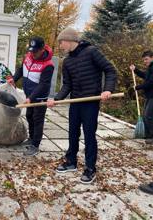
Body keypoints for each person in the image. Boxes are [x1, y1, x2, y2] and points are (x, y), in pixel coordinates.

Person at [47, 27, 117, 184]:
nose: (60, 46)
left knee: (89, 135)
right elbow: (67, 85)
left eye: (61, 42)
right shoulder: (67, 61)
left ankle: (90, 168)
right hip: (76, 102)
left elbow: (110, 70)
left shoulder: (91, 52)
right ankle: (71, 161)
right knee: (72, 132)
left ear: (70, 40)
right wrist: (56, 99)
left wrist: (107, 89)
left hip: (90, 102)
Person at [9, 36, 54, 156]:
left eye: (35, 51)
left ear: (42, 49)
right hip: (29, 93)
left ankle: (35, 145)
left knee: (38, 119)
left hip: (39, 97)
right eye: (31, 51)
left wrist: (31, 98)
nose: (33, 54)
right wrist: (14, 78)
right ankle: (32, 138)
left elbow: (43, 85)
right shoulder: (28, 56)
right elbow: (21, 69)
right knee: (29, 116)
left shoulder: (48, 65)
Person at [130, 50, 153, 144]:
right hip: (150, 95)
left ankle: (152, 137)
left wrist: (138, 87)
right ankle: (148, 135)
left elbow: (151, 82)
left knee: (149, 115)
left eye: (146, 59)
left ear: (152, 57)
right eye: (144, 60)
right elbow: (145, 76)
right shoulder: (150, 68)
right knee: (145, 115)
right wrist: (135, 70)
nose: (145, 61)